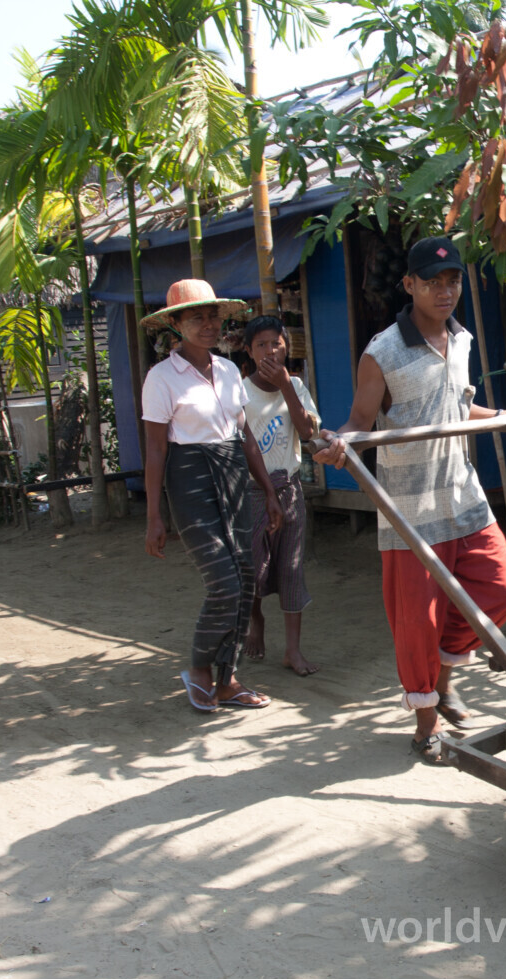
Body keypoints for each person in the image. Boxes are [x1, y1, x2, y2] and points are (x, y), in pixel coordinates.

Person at [315, 236, 506, 764]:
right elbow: (359, 421)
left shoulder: (461, 339)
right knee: (416, 620)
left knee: (501, 591)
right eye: (433, 282)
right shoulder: (382, 352)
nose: (445, 291)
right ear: (410, 286)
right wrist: (339, 444)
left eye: (453, 281)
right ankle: (426, 724)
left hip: (462, 495)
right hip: (409, 509)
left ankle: (444, 675)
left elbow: (457, 408)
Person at [141, 279, 282, 713]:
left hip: (235, 476)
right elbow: (156, 449)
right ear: (176, 324)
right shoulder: (161, 378)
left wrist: (269, 492)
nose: (208, 324)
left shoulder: (226, 371)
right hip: (190, 481)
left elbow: (246, 437)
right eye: (196, 317)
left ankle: (228, 679)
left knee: (245, 582)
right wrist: (154, 517)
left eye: (213, 316)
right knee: (222, 581)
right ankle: (200, 669)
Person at [239, 315, 321, 677]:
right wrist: (267, 492)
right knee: (255, 570)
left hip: (290, 490)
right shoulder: (242, 392)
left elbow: (307, 432)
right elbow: (242, 446)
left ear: (287, 345)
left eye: (276, 343)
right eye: (261, 345)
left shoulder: (297, 386)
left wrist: (287, 386)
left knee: (291, 569)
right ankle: (256, 618)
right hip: (255, 494)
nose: (270, 350)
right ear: (249, 351)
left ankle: (292, 651)